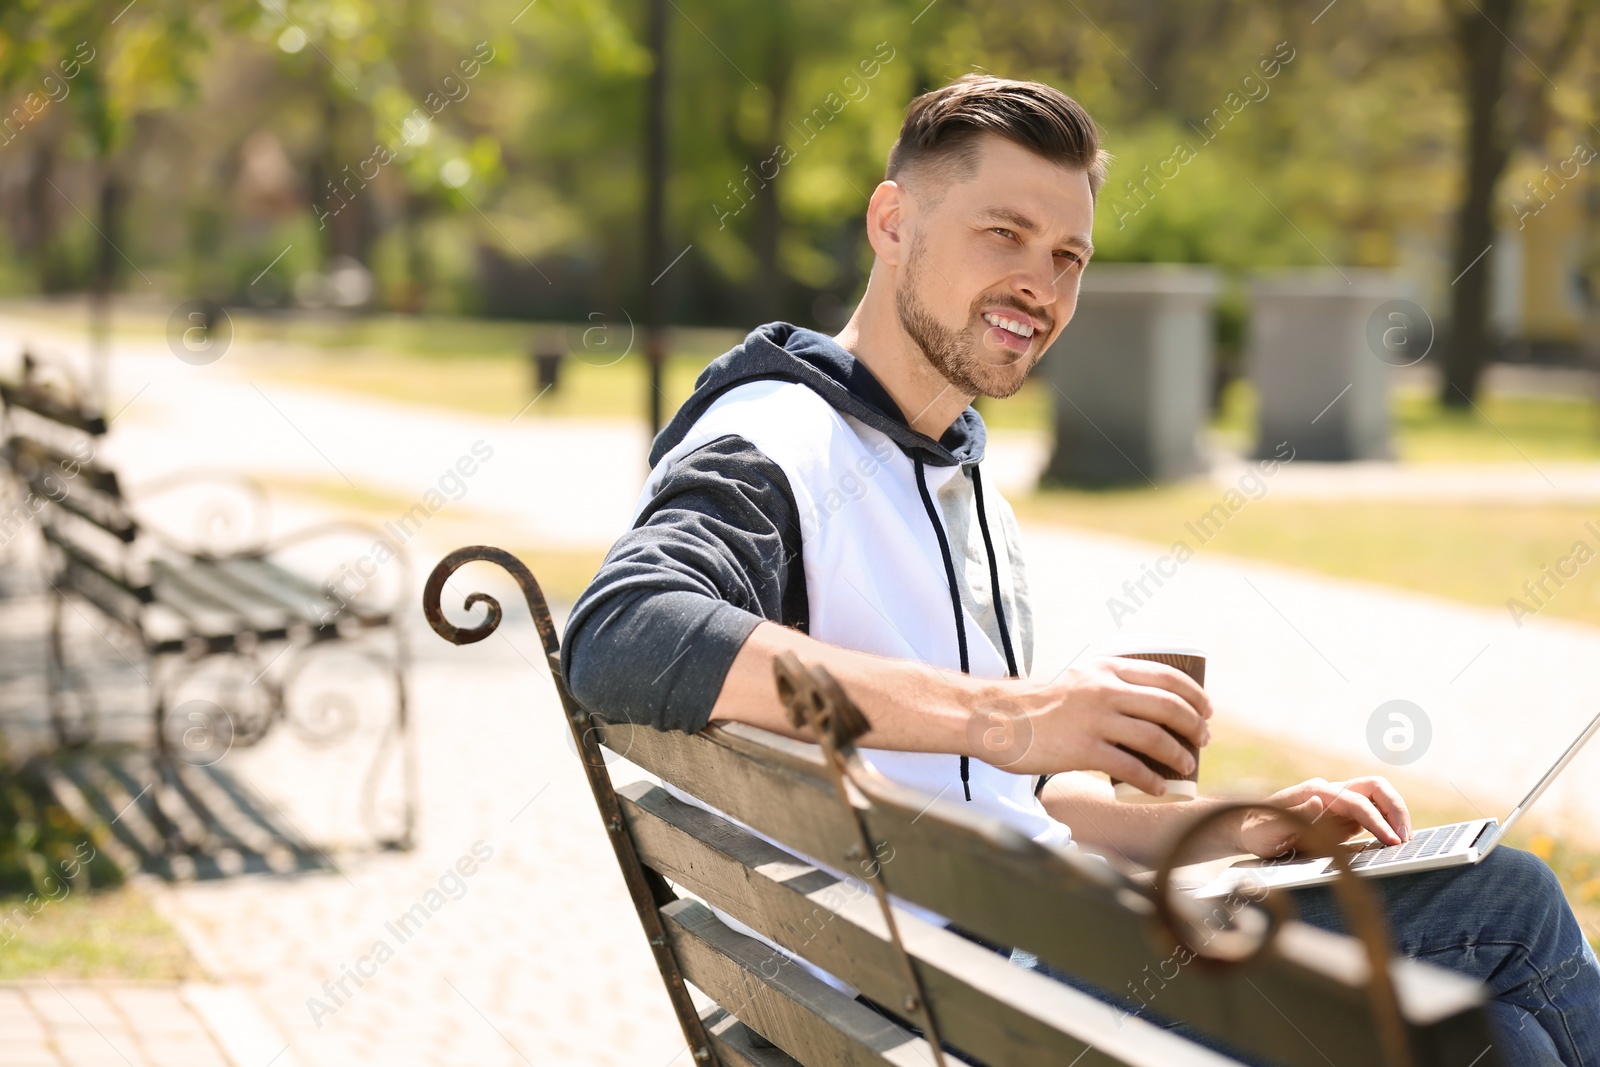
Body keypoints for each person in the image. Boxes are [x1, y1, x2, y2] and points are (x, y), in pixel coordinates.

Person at [562, 74, 1599, 1063]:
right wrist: (1006, 712)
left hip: (989, 973)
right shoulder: (777, 442)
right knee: (1505, 904)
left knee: (1494, 1038)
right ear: (890, 222)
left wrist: (1244, 825)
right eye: (1002, 233)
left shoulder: (957, 480)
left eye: (1068, 255)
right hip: (971, 1005)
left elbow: (1004, 804)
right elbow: (624, 630)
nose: (1040, 284)